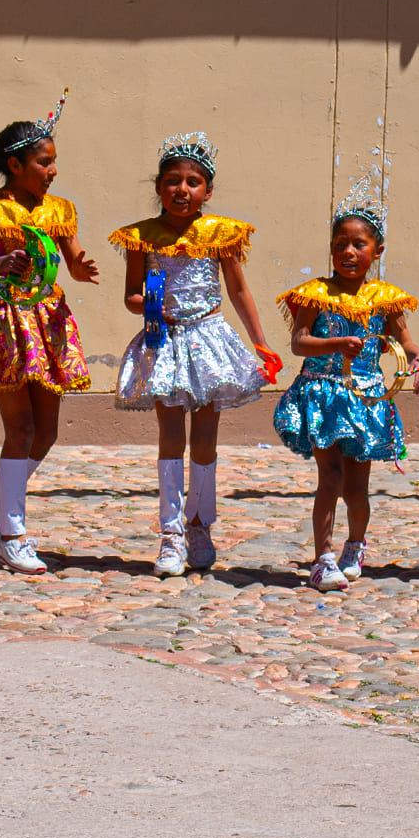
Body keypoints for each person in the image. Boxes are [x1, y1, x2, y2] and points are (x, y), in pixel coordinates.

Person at [0, 92, 99, 575]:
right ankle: (12, 535)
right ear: (15, 165)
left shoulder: (60, 210)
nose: (53, 171)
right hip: (3, 323)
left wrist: (80, 267)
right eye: (43, 163)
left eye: (54, 162)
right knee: (21, 429)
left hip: (47, 323)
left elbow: (71, 260)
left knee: (46, 432)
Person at [110, 132, 275, 578]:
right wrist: (150, 305)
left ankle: (200, 524)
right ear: (159, 187)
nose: (182, 190)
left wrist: (260, 342)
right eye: (172, 181)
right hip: (164, 341)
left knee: (205, 439)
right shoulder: (142, 237)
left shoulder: (220, 234)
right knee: (170, 438)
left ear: (208, 190)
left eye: (193, 182)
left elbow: (238, 290)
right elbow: (131, 294)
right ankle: (170, 533)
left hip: (208, 342)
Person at [273, 166, 419, 592]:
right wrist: (336, 344)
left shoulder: (386, 300)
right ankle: (322, 558)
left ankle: (354, 546)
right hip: (323, 394)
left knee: (357, 486)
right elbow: (299, 342)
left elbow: (406, 342)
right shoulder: (315, 294)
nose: (348, 252)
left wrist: (417, 359)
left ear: (377, 251)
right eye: (340, 244)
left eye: (359, 244)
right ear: (331, 249)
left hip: (366, 398)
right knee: (330, 477)